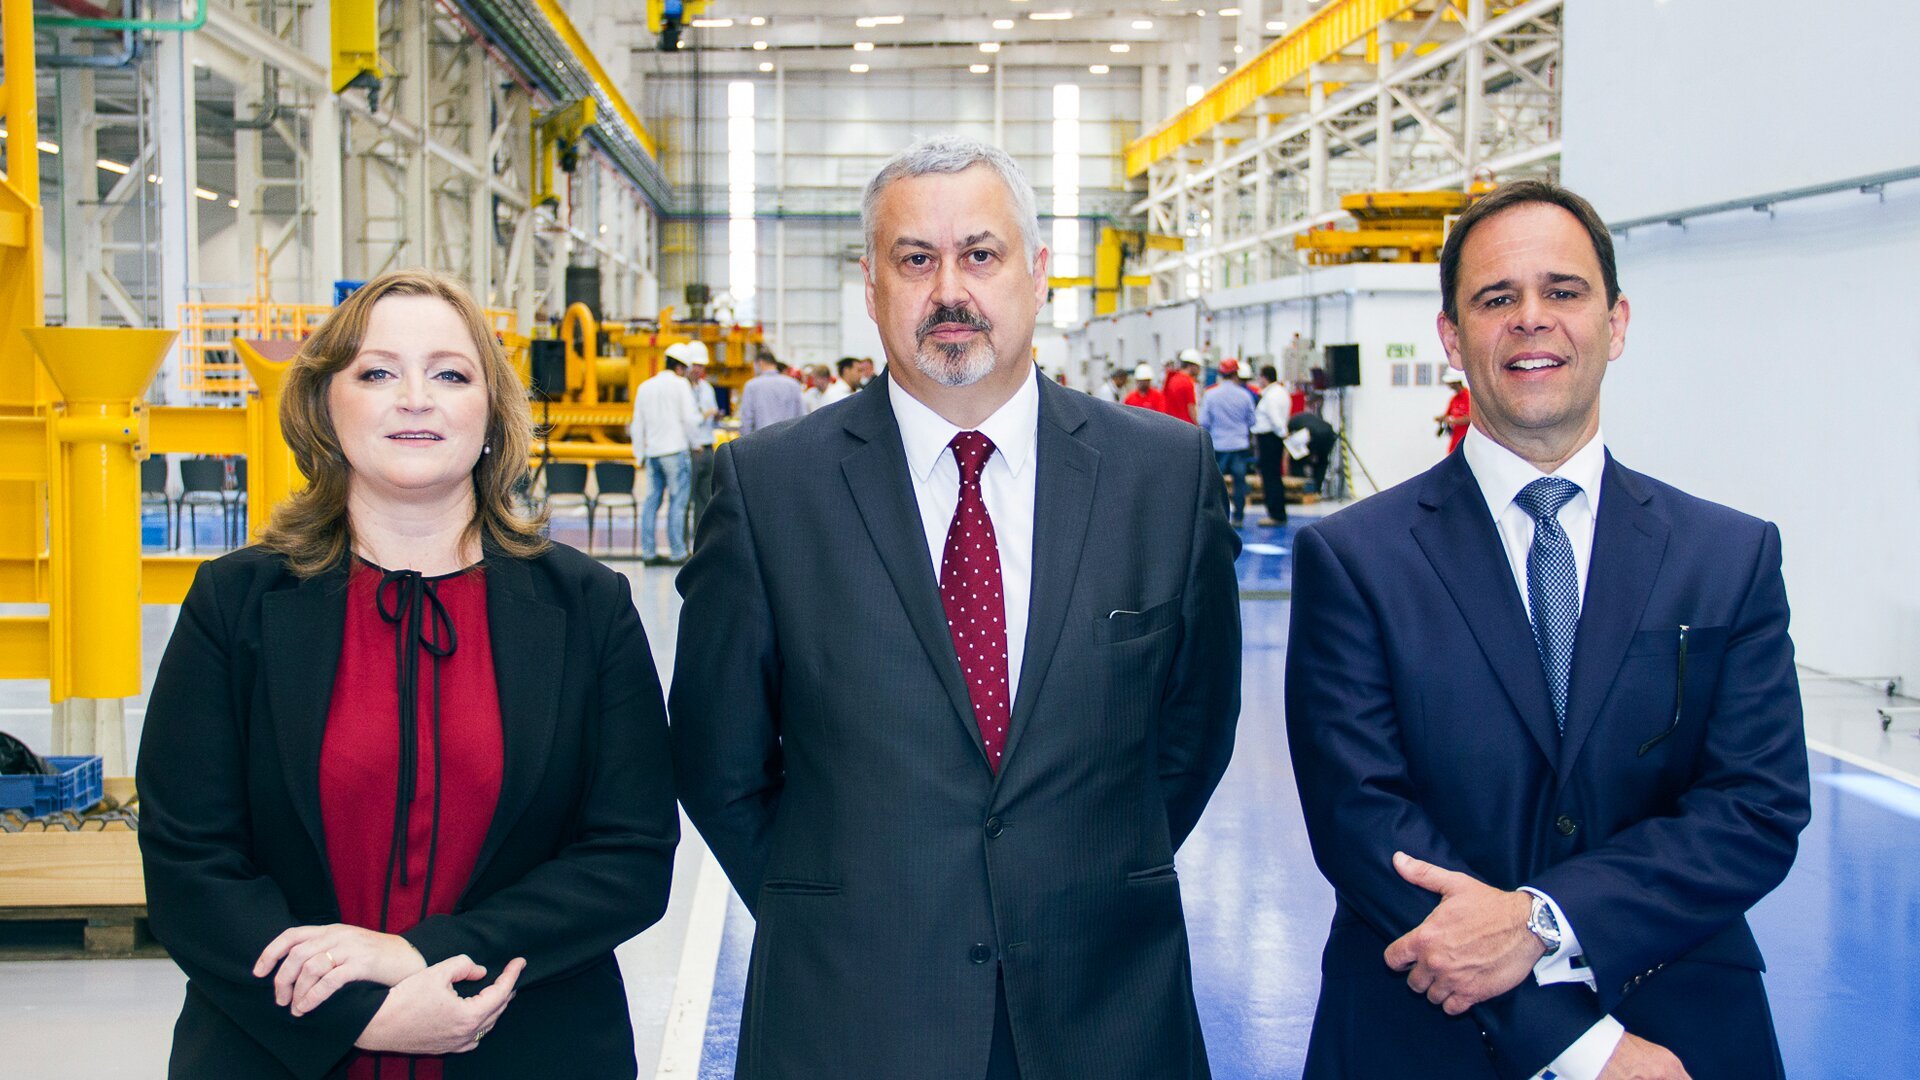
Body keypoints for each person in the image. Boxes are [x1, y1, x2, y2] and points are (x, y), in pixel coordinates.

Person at [671, 134, 1240, 1080]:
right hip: (850, 1009)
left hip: (1104, 1004)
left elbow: (1192, 735)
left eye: (981, 253)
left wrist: (1065, 881)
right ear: (871, 284)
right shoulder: (771, 489)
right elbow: (716, 757)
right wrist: (842, 908)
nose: (950, 290)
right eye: (915, 259)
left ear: (1037, 272)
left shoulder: (1163, 475)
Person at [1284, 180, 1810, 1080]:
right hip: (1425, 1030)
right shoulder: (1354, 561)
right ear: (1453, 337)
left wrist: (1543, 919)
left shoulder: (1728, 555)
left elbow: (1756, 807)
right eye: (1497, 298)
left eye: (1563, 292)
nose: (1533, 319)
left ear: (1617, 321)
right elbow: (1362, 823)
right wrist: (1585, 1047)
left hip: (1680, 1016)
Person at [136, 269, 679, 1079]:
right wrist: (365, 1016)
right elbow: (190, 860)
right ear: (326, 406)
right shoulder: (238, 603)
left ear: (492, 414)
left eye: (450, 374)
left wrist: (420, 956)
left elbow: (629, 858)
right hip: (275, 1049)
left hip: (526, 1045)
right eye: (378, 372)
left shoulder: (589, 608)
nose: (415, 398)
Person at [632, 347, 704, 565]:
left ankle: (649, 553)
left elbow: (637, 424)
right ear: (680, 367)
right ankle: (677, 552)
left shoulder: (645, 386)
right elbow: (689, 419)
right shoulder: (681, 385)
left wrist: (639, 454)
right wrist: (696, 443)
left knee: (651, 502)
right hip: (675, 451)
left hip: (653, 453)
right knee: (678, 503)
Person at [1197, 358, 1256, 527]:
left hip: (1219, 445)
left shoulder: (1211, 394)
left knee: (1216, 483)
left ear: (1220, 373)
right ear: (1236, 374)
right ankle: (1238, 517)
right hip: (1239, 446)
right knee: (1240, 483)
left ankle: (1218, 517)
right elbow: (1252, 421)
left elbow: (1204, 421)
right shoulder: (1245, 395)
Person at [685, 345, 720, 537]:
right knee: (685, 498)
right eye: (695, 365)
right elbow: (688, 418)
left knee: (705, 497)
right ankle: (681, 539)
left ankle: (701, 537)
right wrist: (704, 414)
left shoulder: (707, 388)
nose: (698, 369)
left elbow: (712, 412)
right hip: (691, 449)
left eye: (701, 366)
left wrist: (714, 416)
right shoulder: (681, 389)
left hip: (707, 447)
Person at [1252, 364, 1290, 526]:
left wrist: (1283, 434)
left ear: (1264, 377)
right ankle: (1277, 512)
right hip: (1274, 438)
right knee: (1274, 475)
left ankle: (1275, 514)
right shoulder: (1281, 392)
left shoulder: (1272, 396)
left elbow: (1275, 419)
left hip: (1270, 438)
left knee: (1270, 476)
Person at [736, 350, 806, 434]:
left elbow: (747, 419)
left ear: (760, 363)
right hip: (788, 440)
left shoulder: (751, 386)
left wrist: (744, 442)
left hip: (761, 441)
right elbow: (802, 415)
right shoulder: (793, 385)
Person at [1286, 407, 1336, 494]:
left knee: (1297, 461)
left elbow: (1291, 445)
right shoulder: (1305, 418)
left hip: (1312, 434)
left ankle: (1301, 488)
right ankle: (1317, 489)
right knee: (1322, 462)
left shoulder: (1292, 423)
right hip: (1329, 433)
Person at [1437, 366, 1471, 454]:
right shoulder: (1454, 399)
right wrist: (1442, 419)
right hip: (1455, 440)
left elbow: (1471, 418)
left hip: (1467, 441)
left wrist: (1452, 420)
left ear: (1457, 382)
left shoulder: (1469, 398)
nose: (1449, 385)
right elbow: (1448, 415)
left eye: (1451, 383)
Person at [1162, 351, 1198, 423]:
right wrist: (1198, 425)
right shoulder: (1188, 382)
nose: (1198, 370)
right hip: (1187, 425)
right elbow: (1191, 408)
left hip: (1172, 423)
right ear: (1191, 366)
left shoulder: (1172, 379)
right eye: (1197, 367)